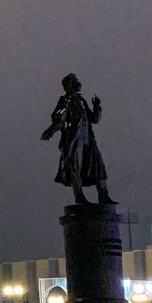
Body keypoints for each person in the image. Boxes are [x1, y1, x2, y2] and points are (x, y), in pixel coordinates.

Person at [41, 73, 116, 205]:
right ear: (69, 85)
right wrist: (50, 132)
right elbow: (59, 121)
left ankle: (103, 196)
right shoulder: (65, 101)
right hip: (74, 142)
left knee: (98, 167)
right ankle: (79, 197)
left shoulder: (82, 101)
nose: (78, 83)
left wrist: (97, 107)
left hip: (88, 140)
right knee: (75, 169)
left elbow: (94, 119)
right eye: (75, 81)